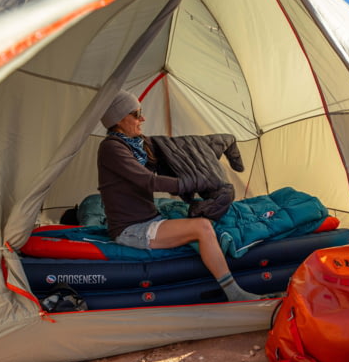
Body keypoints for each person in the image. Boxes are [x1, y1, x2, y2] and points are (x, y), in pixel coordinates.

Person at [97, 90, 268, 302]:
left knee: (206, 219)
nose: (143, 118)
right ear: (119, 119)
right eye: (136, 113)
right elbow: (148, 181)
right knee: (202, 227)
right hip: (131, 229)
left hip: (149, 219)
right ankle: (235, 294)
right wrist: (195, 182)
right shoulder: (111, 148)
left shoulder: (136, 145)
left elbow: (174, 151)